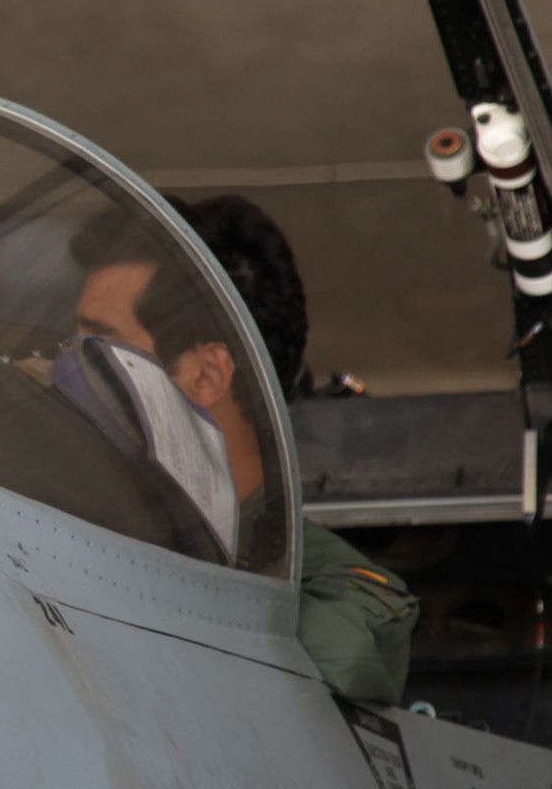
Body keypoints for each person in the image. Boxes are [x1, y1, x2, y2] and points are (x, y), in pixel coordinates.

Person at [70, 196, 419, 704]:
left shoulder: (335, 598)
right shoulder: (80, 509)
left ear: (206, 375)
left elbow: (339, 659)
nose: (67, 363)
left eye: (99, 344)